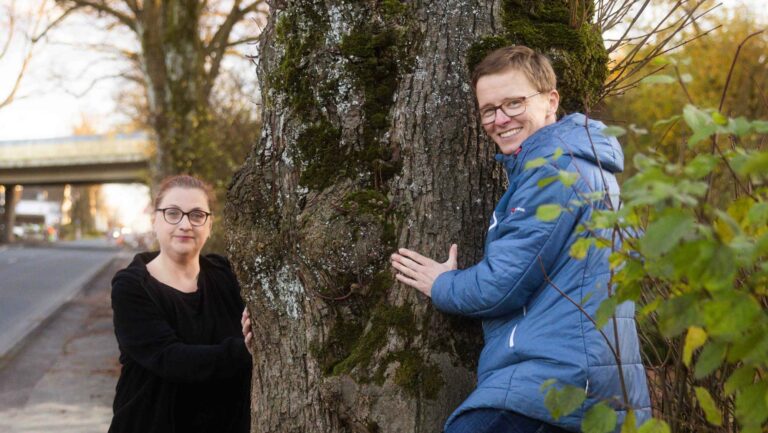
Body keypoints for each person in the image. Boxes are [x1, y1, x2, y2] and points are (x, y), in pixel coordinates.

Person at [390, 46, 651, 433]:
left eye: (514, 103)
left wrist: (442, 283)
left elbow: (502, 284)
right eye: (488, 110)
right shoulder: (581, 164)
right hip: (583, 382)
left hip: (557, 384)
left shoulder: (555, 171)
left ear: (550, 101)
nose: (500, 119)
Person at [109, 175, 252, 433]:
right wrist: (248, 351)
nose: (185, 224)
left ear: (209, 225)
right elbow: (171, 359)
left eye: (197, 215)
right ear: (155, 220)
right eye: (173, 213)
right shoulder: (132, 287)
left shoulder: (228, 277)